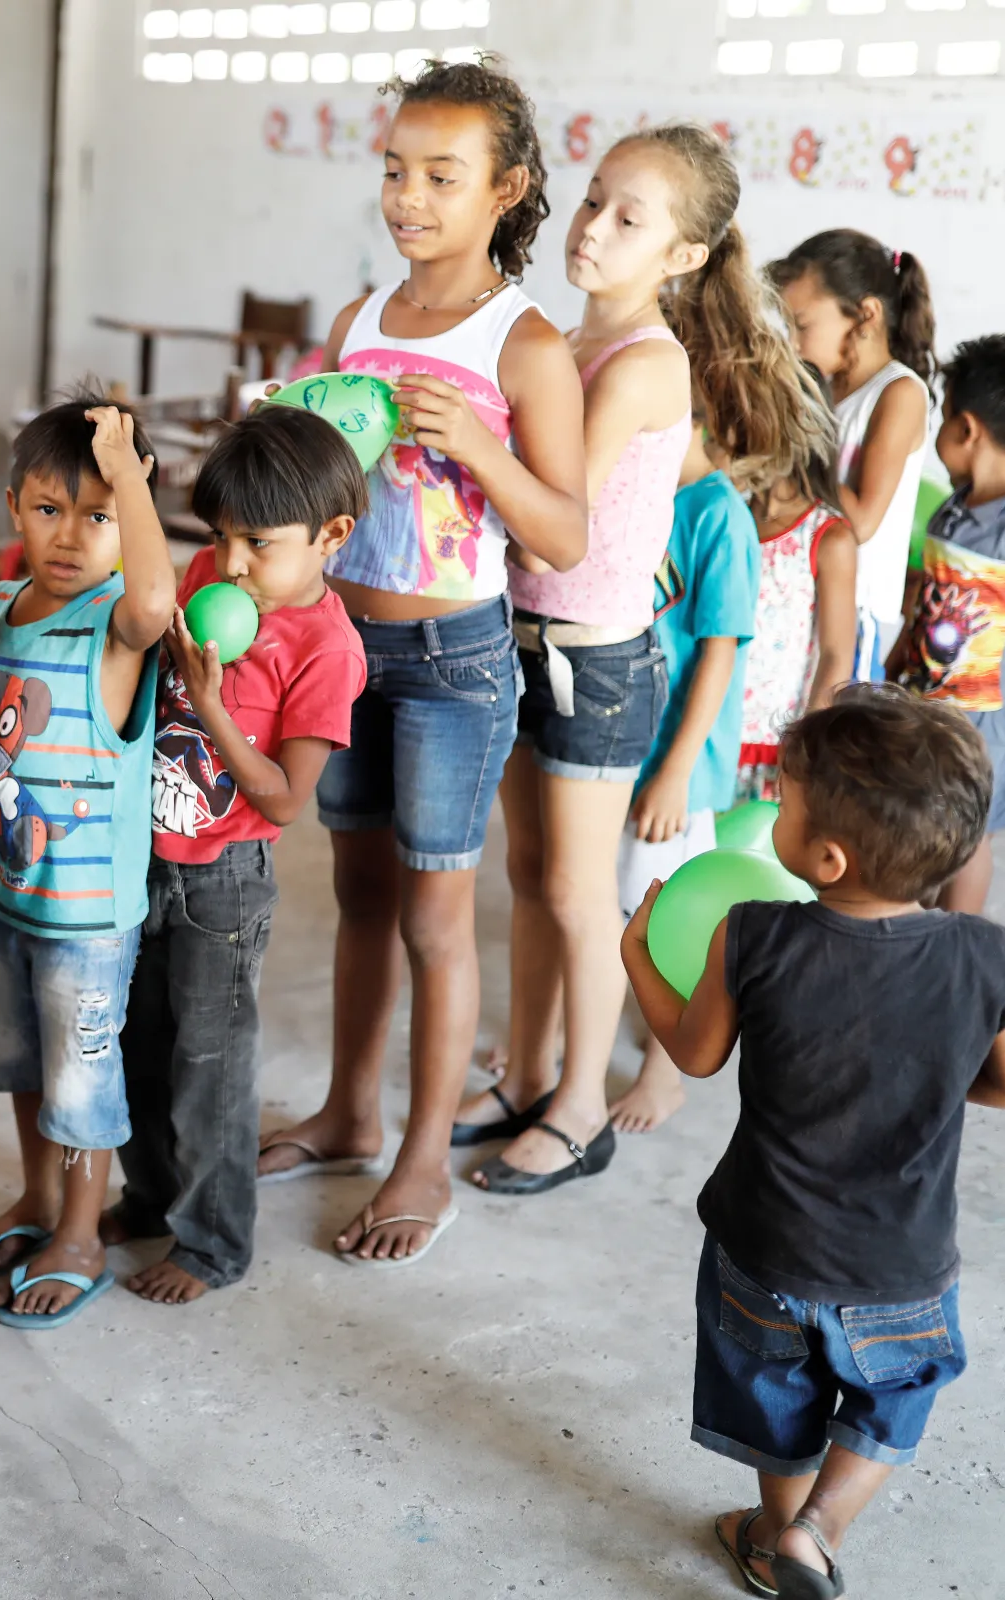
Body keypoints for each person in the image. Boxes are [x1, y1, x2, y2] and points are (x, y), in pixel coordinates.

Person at [252, 56, 587, 1267]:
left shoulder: (526, 344)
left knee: (439, 920)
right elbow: (332, 489)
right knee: (359, 899)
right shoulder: (359, 320)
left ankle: (422, 1160)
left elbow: (563, 534)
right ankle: (349, 1112)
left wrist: (478, 452)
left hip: (454, 658)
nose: (409, 197)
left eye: (442, 176)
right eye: (397, 170)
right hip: (344, 646)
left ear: (508, 190)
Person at [621, 685, 1005, 1600]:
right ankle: (820, 1528)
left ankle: (776, 1532)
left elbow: (695, 1056)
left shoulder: (754, 935)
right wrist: (920, 1070)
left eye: (788, 796)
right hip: (902, 1260)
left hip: (766, 1246)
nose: (773, 804)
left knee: (781, 1408)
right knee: (892, 1399)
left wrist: (639, 957)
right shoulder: (987, 952)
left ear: (827, 853)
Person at [463, 125, 709, 1197]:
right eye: (594, 199)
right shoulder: (559, 343)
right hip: (516, 637)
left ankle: (576, 1108)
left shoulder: (646, 361)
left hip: (593, 661)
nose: (594, 226)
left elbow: (547, 522)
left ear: (683, 257)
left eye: (629, 217)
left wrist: (467, 465)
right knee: (526, 876)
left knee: (576, 888)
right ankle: (524, 1071)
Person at [108, 406, 364, 1304]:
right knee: (138, 1041)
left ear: (332, 535)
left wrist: (213, 705)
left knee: (208, 1066)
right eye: (221, 538)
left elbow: (287, 799)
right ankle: (148, 1197)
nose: (234, 562)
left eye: (259, 541)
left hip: (225, 882)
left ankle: (213, 1242)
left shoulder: (327, 648)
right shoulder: (209, 579)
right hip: (143, 858)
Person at [0, 393, 176, 1327]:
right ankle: (41, 1200)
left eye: (101, 517)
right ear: (16, 508)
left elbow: (157, 597)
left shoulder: (115, 629)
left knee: (83, 1080)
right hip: (2, 893)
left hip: (86, 917)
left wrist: (127, 471)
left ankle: (82, 1230)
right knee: (21, 1067)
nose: (73, 537)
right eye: (51, 510)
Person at [606, 420, 758, 1135]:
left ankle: (663, 1075)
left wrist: (676, 771)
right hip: (617, 746)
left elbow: (719, 653)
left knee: (664, 916)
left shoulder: (717, 511)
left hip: (677, 766)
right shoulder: (640, 495)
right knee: (607, 902)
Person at [890, 333, 1005, 914]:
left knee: (969, 837)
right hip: (927, 704)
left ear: (967, 429)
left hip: (986, 723)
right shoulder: (956, 504)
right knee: (920, 824)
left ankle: (954, 937)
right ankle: (913, 933)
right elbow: (930, 592)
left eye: (942, 418)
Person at [768, 231, 935, 682]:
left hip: (858, 616)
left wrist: (796, 443)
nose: (794, 343)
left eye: (802, 326)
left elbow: (860, 522)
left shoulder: (899, 393)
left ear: (866, 315)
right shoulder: (821, 389)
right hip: (802, 598)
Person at [733, 381, 856, 805]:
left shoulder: (826, 536)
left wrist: (804, 746)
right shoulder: (727, 514)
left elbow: (837, 652)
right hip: (709, 733)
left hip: (772, 746)